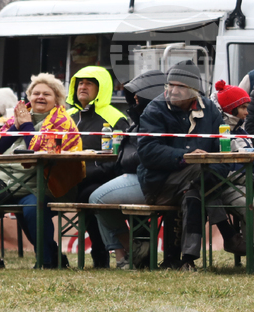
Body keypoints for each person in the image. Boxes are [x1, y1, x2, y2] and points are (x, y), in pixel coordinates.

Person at [0, 73, 83, 268]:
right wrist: (16, 127)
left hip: (45, 184)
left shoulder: (62, 121)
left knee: (32, 209)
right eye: (36, 93)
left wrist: (27, 126)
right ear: (29, 96)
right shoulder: (17, 117)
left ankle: (47, 260)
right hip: (6, 182)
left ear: (57, 99)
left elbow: (41, 152)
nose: (40, 97)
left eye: (47, 94)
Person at [184, 80, 254, 273]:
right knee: (251, 205)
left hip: (252, 183)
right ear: (230, 109)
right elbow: (226, 167)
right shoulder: (218, 132)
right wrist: (249, 177)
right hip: (228, 185)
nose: (247, 112)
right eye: (243, 107)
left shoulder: (243, 131)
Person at [137, 60, 223, 270]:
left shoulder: (210, 109)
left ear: (194, 90)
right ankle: (228, 232)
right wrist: (186, 155)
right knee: (199, 169)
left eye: (180, 86)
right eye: (170, 85)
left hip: (198, 183)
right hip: (159, 183)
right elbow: (147, 151)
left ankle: (185, 260)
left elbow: (221, 150)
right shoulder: (155, 108)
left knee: (193, 193)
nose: (173, 91)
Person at [89, 70, 167, 269]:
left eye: (136, 94)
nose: (133, 98)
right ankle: (124, 257)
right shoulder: (138, 118)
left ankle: (128, 250)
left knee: (96, 199)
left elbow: (143, 157)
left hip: (150, 180)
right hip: (137, 176)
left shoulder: (153, 117)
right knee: (91, 194)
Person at [66, 66, 130, 269]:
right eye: (80, 83)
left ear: (101, 87)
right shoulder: (66, 117)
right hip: (65, 178)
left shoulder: (115, 118)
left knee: (90, 195)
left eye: (89, 83)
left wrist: (85, 173)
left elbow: (120, 158)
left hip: (102, 179)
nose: (83, 87)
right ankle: (49, 256)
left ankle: (100, 251)